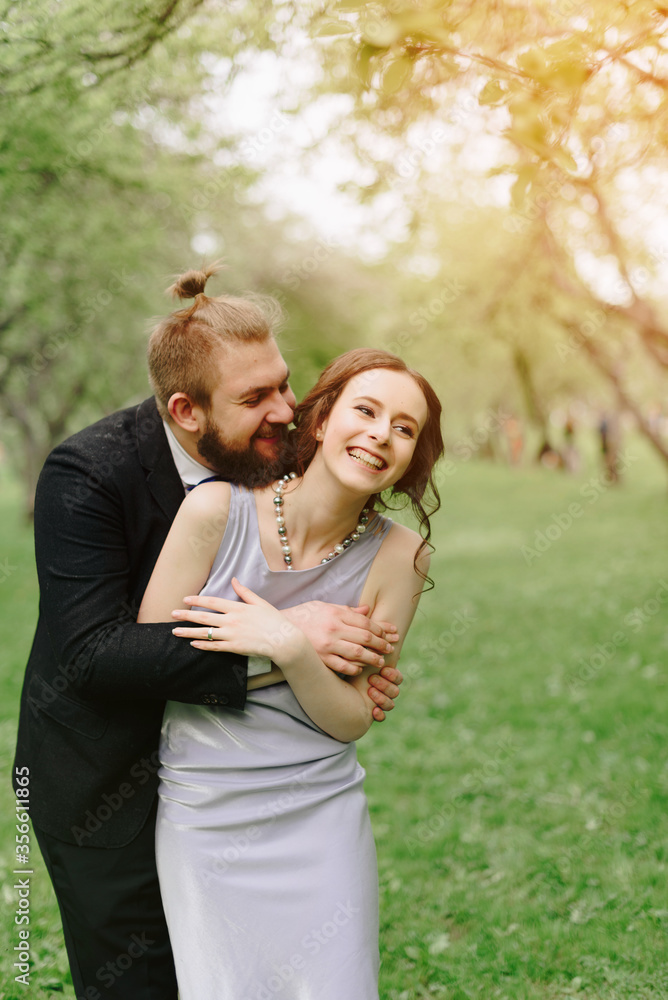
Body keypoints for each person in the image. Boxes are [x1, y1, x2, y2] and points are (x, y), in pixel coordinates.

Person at [12, 264, 403, 1000]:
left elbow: (338, 538)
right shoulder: (85, 476)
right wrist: (292, 645)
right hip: (102, 776)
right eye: (256, 398)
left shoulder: (276, 448)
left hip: (235, 783)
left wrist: (355, 646)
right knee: (144, 984)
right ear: (187, 410)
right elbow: (94, 656)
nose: (287, 411)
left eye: (284, 383)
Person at [138, 342, 444, 998]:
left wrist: (292, 647)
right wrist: (284, 649)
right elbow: (147, 664)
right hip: (204, 814)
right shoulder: (214, 512)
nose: (380, 435)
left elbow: (350, 719)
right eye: (365, 410)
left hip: (320, 813)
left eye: (404, 428)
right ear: (322, 418)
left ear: (412, 457)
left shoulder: (402, 558)